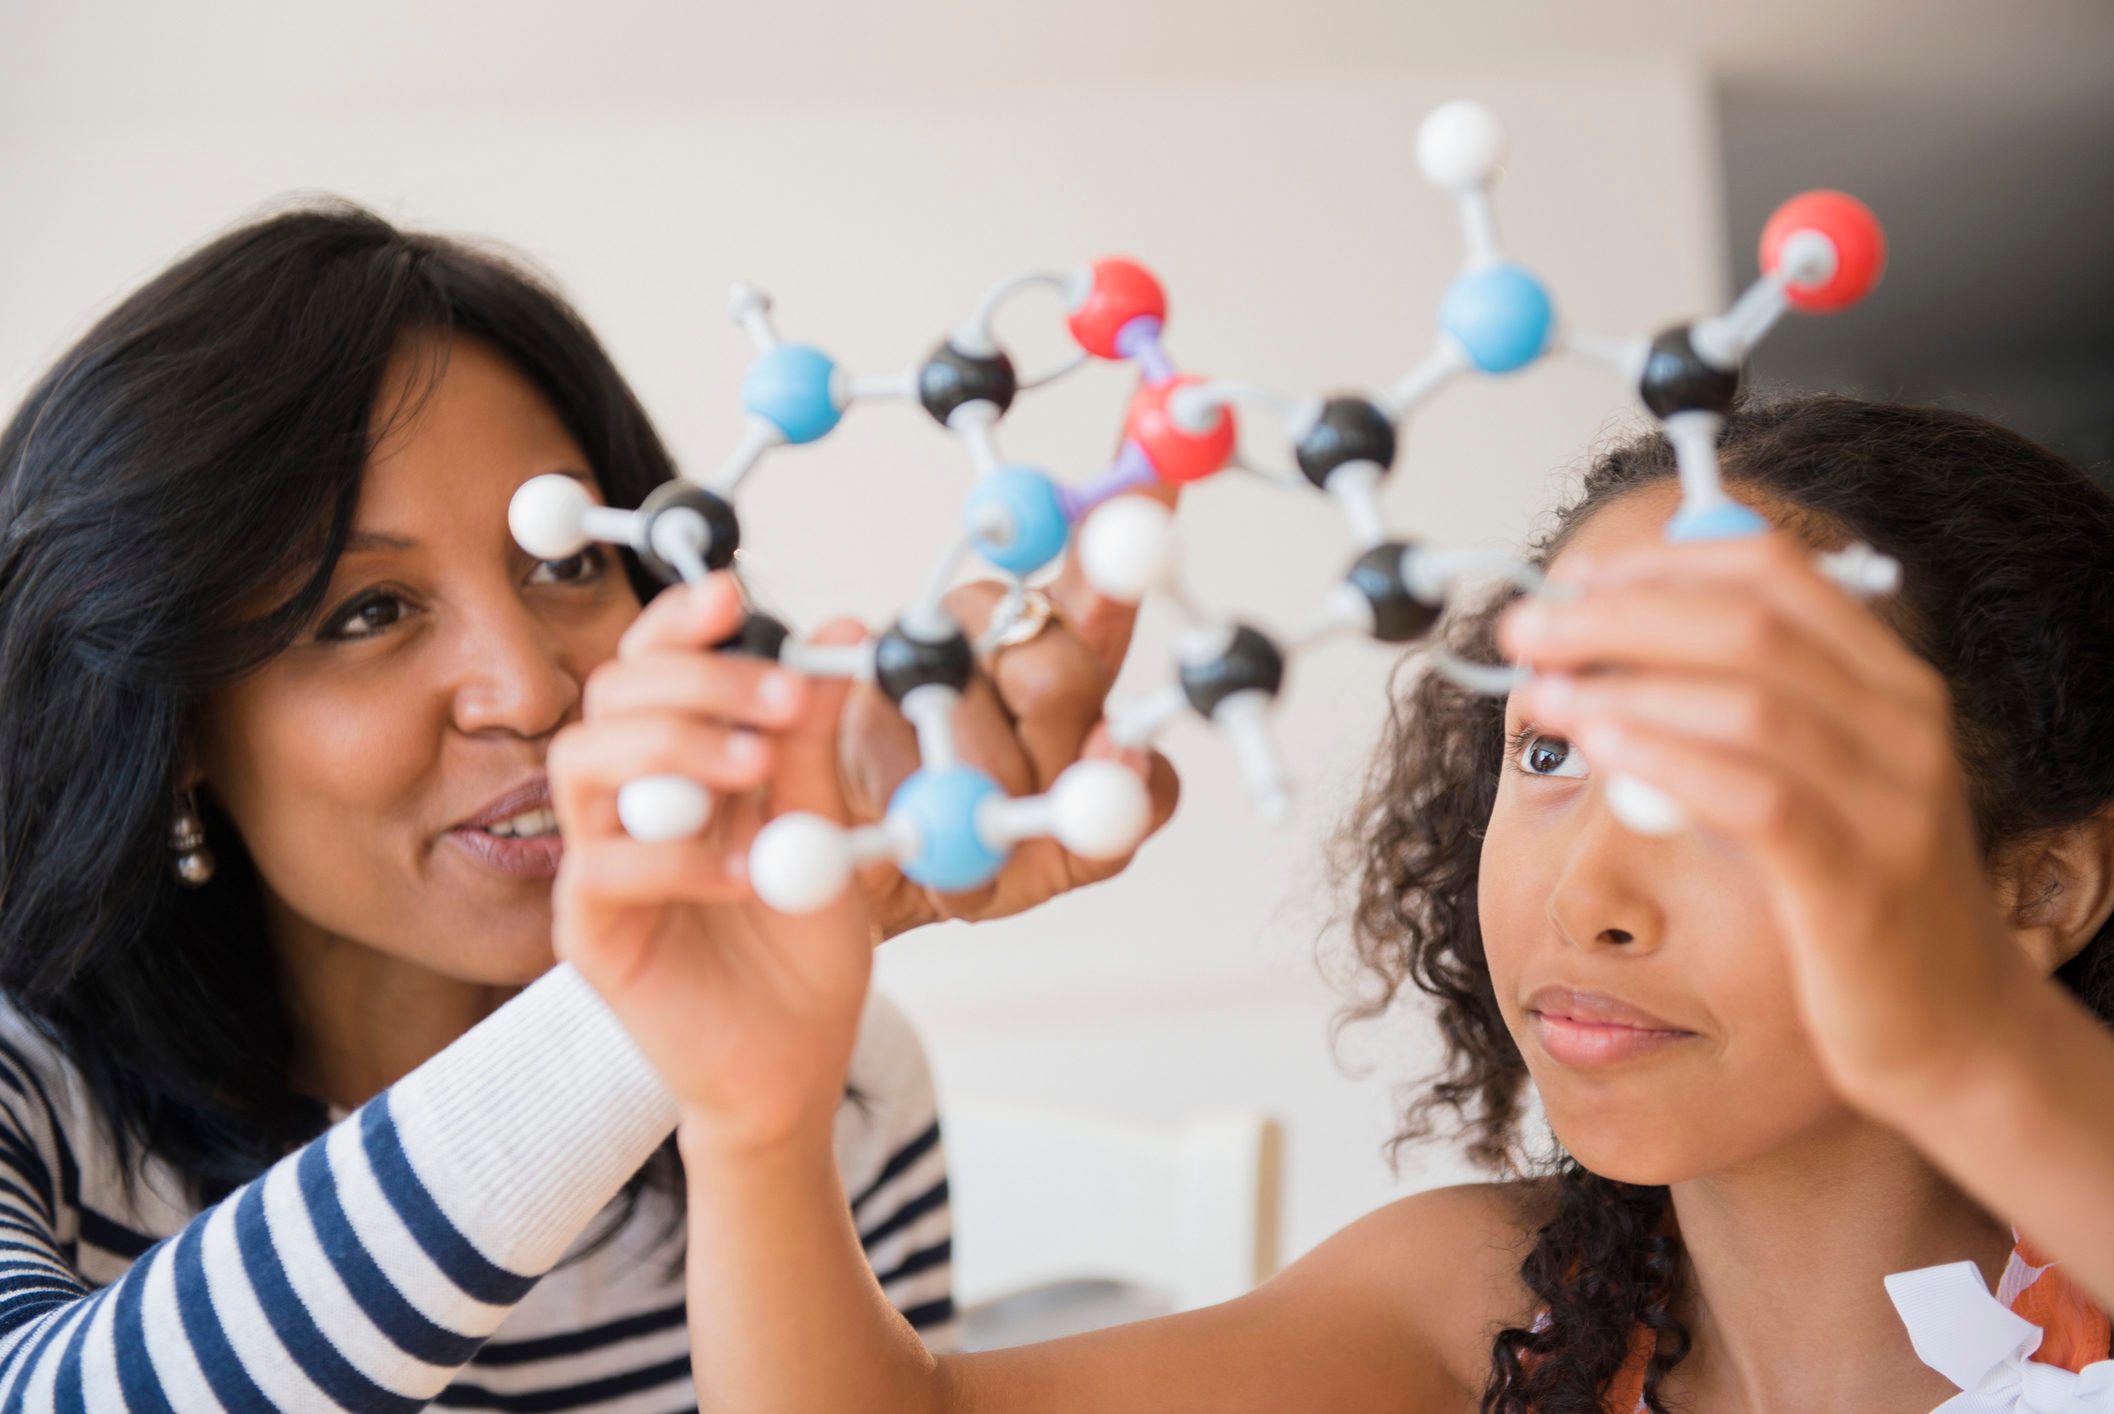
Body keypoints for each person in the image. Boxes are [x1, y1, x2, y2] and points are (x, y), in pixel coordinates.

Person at [555, 394, 2114, 1411]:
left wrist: (1963, 1037)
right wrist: (752, 1123)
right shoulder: (1480, 1318)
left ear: (2039, 884)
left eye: (1728, 770)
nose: (1589, 891)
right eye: (1552, 748)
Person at [0, 202, 1175, 1409]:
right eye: (367, 612)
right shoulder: (29, 1088)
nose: (530, 687)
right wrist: (655, 1010)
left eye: (566, 562)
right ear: (178, 722)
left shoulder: (841, 1083)